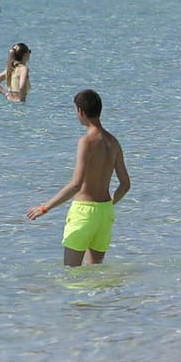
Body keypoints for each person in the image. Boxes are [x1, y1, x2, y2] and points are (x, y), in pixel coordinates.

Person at [25, 89, 132, 267]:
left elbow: (76, 185)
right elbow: (125, 185)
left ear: (80, 111)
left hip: (84, 212)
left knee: (71, 275)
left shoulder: (87, 141)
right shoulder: (113, 142)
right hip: (105, 213)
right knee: (95, 274)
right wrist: (109, 204)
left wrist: (44, 208)